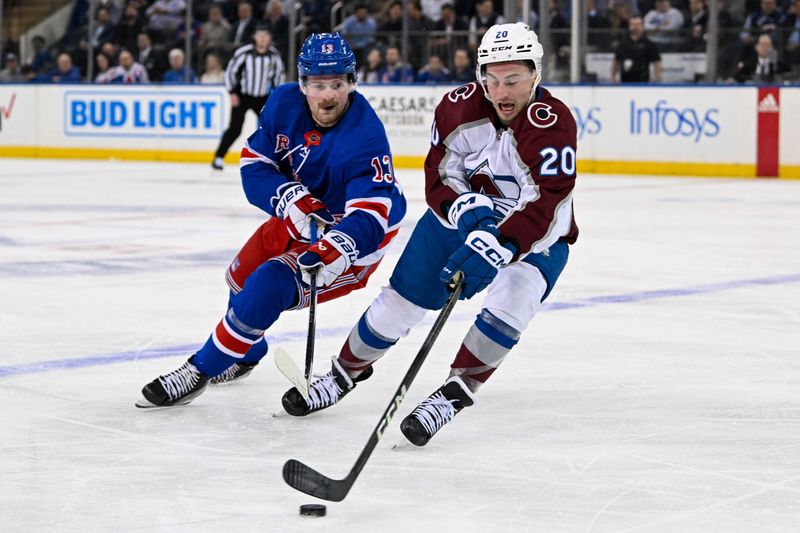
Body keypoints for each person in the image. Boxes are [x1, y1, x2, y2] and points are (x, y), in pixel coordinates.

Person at [278, 22, 578, 447]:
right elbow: (440, 173)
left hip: (536, 237)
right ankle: (343, 375)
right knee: (398, 301)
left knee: (514, 301)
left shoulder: (553, 124)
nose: (502, 92)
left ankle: (454, 394)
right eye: (491, 79)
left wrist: (502, 242)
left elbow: (549, 200)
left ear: (536, 75)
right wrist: (464, 207)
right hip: (457, 224)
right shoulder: (458, 108)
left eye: (513, 79)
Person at [136, 33, 406, 408]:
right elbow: (255, 165)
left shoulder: (365, 135)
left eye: (336, 84)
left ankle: (200, 370)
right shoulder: (282, 102)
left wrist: (335, 248)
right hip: (298, 217)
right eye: (317, 84)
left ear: (351, 84)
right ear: (302, 84)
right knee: (239, 279)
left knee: (267, 284)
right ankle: (245, 354)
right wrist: (290, 198)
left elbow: (372, 216)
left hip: (351, 238)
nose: (327, 95)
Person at [212, 27, 285, 170]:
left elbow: (279, 78)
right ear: (255, 37)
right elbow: (230, 72)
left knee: (271, 128)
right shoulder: (244, 53)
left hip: (263, 98)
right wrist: (232, 92)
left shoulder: (274, 56)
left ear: (269, 38)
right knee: (235, 128)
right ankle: (218, 157)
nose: (263, 38)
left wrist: (276, 99)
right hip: (243, 96)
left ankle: (276, 160)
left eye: (266, 35)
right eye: (260, 35)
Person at [611, 16, 662, 82]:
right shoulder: (622, 44)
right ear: (629, 26)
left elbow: (657, 63)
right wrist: (613, 77)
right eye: (632, 24)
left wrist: (656, 78)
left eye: (638, 24)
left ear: (643, 27)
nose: (635, 27)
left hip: (643, 83)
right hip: (625, 84)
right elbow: (616, 62)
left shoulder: (650, 45)